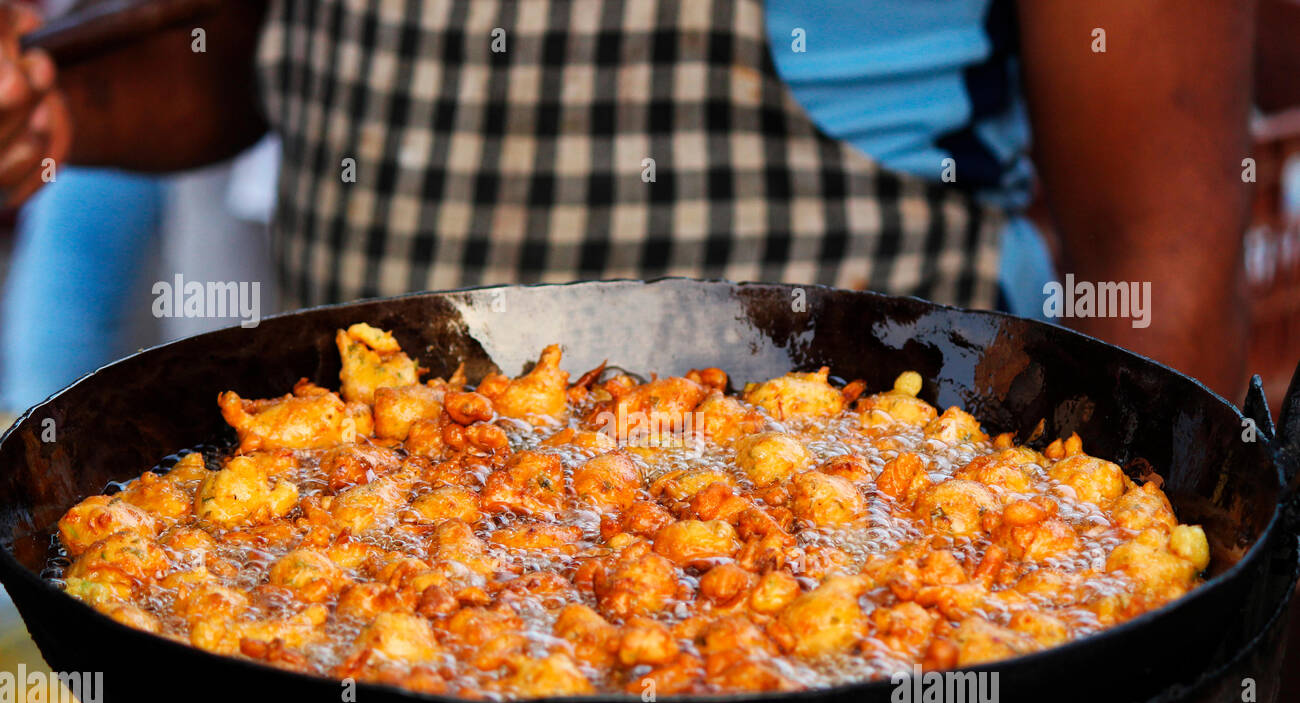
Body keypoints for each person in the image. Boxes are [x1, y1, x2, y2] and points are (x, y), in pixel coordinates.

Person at [0, 0, 1255, 399]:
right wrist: (55, 112)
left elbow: (1156, 254)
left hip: (857, 603)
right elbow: (284, 38)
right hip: (357, 575)